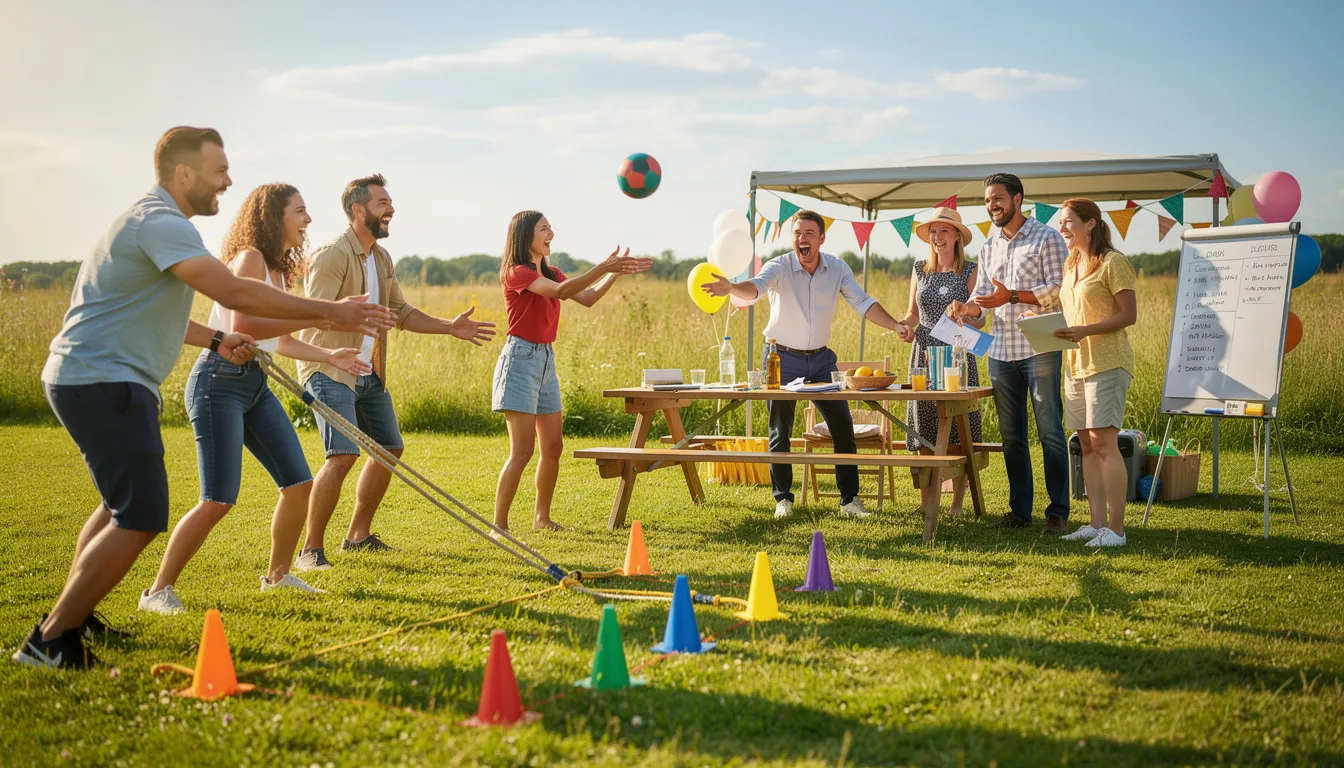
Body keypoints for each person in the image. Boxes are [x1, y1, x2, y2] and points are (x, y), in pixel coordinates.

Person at [14, 127, 394, 669]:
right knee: (142, 512)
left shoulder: (162, 227)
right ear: (184, 174)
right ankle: (53, 638)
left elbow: (173, 314)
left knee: (121, 504)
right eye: (219, 172)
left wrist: (218, 338)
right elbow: (236, 296)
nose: (229, 181)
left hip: (110, 377)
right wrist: (332, 313)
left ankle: (76, 620)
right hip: (103, 377)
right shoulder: (162, 223)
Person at [139, 184, 374, 614]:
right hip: (218, 382)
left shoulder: (279, 272)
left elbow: (280, 340)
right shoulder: (249, 258)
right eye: (300, 211)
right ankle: (157, 591)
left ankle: (279, 576)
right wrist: (325, 312)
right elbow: (242, 322)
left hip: (254, 385)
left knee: (299, 485)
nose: (307, 220)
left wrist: (327, 353)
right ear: (274, 217)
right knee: (218, 500)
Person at [295, 174, 496, 571]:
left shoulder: (381, 258)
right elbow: (311, 316)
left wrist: (448, 327)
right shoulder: (333, 254)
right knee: (342, 454)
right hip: (328, 367)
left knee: (389, 448)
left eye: (390, 203)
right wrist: (339, 337)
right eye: (382, 203)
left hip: (369, 372)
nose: (391, 210)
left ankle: (357, 536)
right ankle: (309, 551)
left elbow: (401, 313)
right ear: (358, 210)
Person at [703, 209, 910, 520]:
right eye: (797, 233)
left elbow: (863, 302)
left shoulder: (837, 268)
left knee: (842, 424)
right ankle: (782, 499)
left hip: (822, 359)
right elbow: (756, 287)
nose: (802, 239)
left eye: (809, 234)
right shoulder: (780, 266)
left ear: (821, 239)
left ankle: (849, 501)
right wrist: (731, 288)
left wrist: (895, 325)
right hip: (780, 357)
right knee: (780, 428)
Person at [492, 212, 651, 533]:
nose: (552, 233)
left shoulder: (553, 272)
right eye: (544, 229)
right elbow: (561, 293)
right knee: (522, 452)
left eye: (550, 227)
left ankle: (542, 519)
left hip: (546, 359)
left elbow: (588, 297)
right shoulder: (516, 273)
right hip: (520, 359)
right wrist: (602, 267)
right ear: (526, 237)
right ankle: (499, 525)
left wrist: (613, 274)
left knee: (553, 447)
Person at [949, 173, 1070, 534]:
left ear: (1018, 199)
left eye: (998, 198)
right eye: (988, 201)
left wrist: (1013, 296)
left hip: (1041, 347)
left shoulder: (1047, 237)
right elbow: (985, 303)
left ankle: (1057, 512)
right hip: (1001, 351)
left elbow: (1059, 290)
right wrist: (968, 309)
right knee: (1011, 436)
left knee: (1049, 431)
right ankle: (1020, 510)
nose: (992, 206)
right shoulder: (988, 247)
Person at [1052, 198, 1137, 548]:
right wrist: (1046, 326)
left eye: (1068, 221)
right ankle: (1096, 523)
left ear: (1090, 224)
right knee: (1085, 444)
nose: (1062, 229)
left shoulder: (1113, 263)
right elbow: (1073, 313)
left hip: (1107, 361)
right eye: (1060, 222)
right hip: (1075, 363)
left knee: (1104, 443)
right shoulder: (1071, 263)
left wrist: (1085, 331)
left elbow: (1128, 315)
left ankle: (1116, 531)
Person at [897, 207, 984, 542]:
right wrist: (905, 327)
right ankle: (925, 501)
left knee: (959, 428)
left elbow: (981, 319)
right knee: (924, 425)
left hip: (957, 353)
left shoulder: (971, 271)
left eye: (944, 231)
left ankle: (957, 504)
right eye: (933, 232)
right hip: (923, 352)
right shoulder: (920, 269)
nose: (937, 237)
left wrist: (966, 314)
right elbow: (912, 313)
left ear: (958, 236)